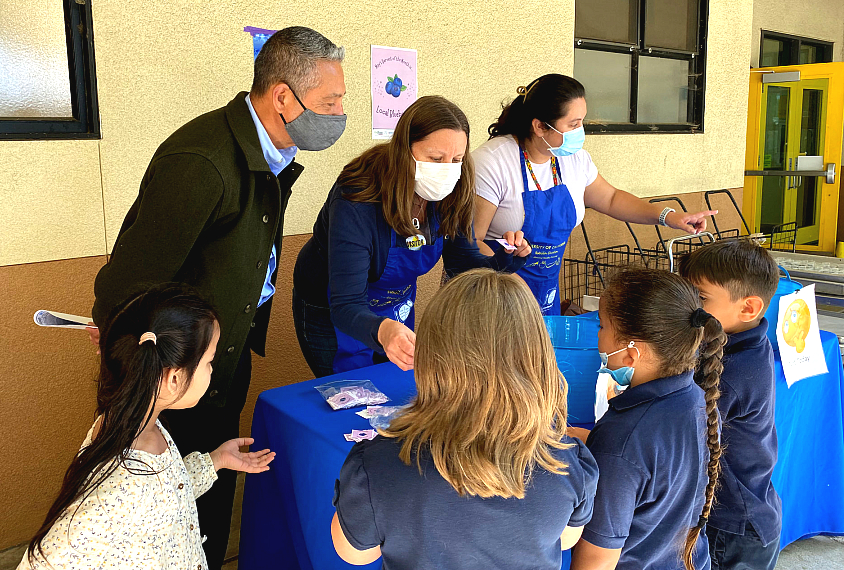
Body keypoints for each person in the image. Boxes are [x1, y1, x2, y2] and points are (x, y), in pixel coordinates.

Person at [88, 26, 346, 569]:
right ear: (283, 96)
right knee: (165, 514)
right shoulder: (203, 160)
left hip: (217, 363)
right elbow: (128, 282)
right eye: (331, 101)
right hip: (172, 375)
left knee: (209, 492)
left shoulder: (268, 153)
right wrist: (153, 370)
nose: (340, 112)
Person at [330, 268, 599, 569]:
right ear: (539, 358)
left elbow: (354, 553)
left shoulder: (377, 463)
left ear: (431, 358)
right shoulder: (566, 461)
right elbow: (567, 539)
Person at [19, 285, 275, 569]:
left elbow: (163, 497)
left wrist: (216, 460)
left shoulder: (137, 424)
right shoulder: (119, 487)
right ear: (174, 378)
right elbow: (49, 558)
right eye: (209, 362)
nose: (212, 370)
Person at [293, 95, 530, 377]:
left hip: (394, 307)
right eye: (435, 158)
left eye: (456, 159)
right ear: (404, 150)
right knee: (351, 396)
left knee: (396, 388)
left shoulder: (453, 188)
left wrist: (506, 258)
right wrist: (383, 329)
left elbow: (462, 262)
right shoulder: (357, 198)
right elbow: (345, 305)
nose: (447, 169)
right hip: (334, 308)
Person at [472, 74, 717, 315]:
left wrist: (668, 217)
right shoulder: (493, 162)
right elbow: (469, 241)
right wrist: (509, 282)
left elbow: (610, 198)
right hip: (491, 299)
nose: (581, 131)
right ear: (539, 126)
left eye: (582, 121)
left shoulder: (573, 159)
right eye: (573, 124)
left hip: (544, 295)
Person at [570, 268, 726, 570]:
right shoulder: (697, 398)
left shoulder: (622, 439)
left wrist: (606, 448)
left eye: (602, 327)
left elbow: (596, 561)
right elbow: (658, 470)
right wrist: (593, 442)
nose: (598, 337)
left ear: (631, 354)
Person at [679, 240, 782, 570]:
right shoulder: (744, 342)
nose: (688, 307)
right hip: (746, 512)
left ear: (748, 308)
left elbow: (682, 432)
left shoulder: (737, 372)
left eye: (701, 298)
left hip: (733, 526)